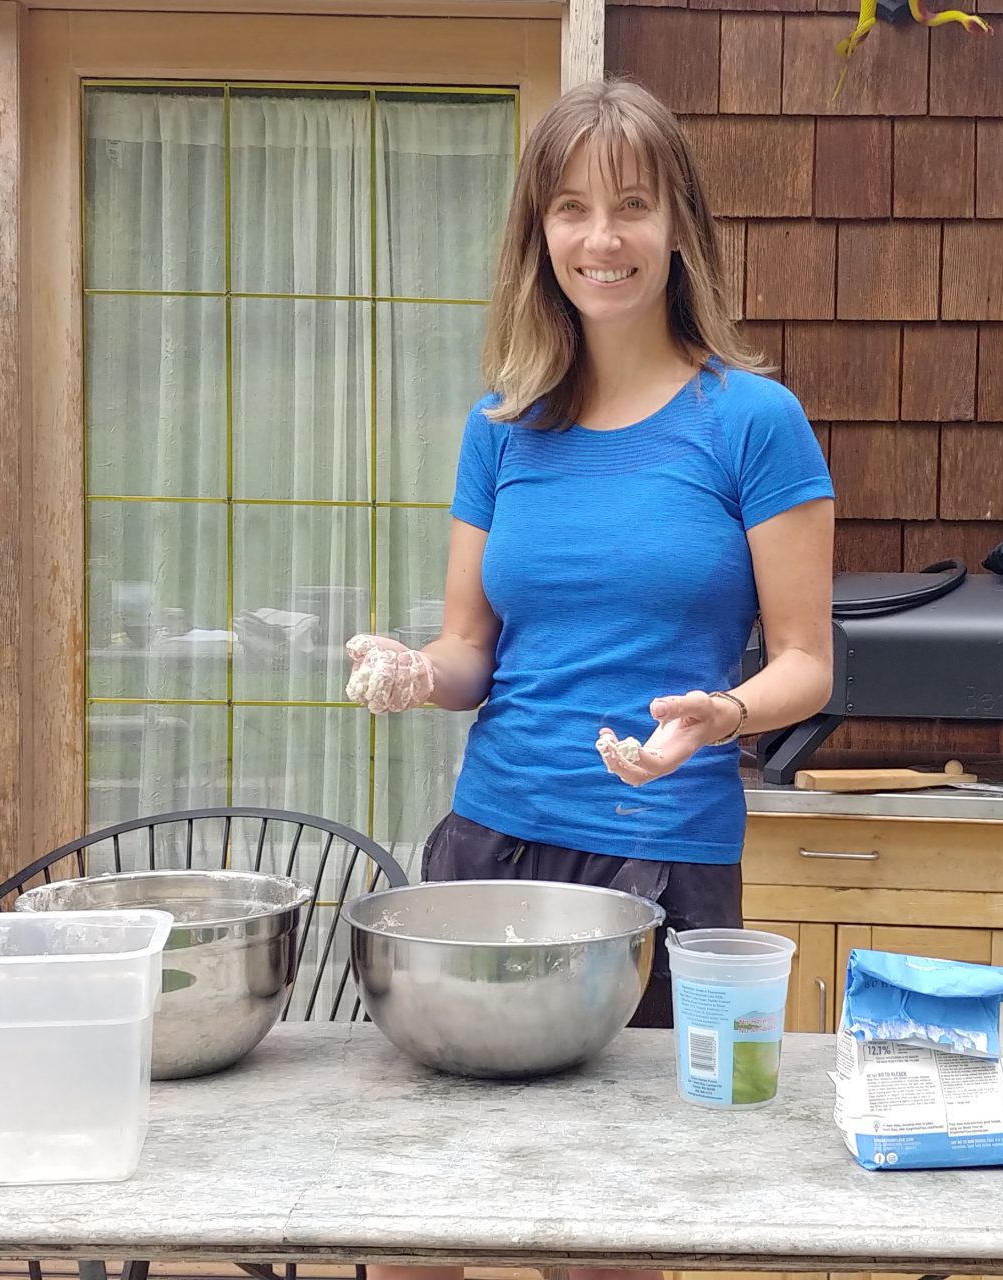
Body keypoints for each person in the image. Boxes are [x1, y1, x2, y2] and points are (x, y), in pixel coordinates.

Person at [342, 74, 834, 1280]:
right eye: (569, 208)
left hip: (655, 860)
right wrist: (416, 669)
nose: (600, 238)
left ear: (679, 229)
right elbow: (471, 654)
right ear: (537, 232)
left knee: (616, 1223)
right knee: (428, 1205)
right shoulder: (500, 426)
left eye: (630, 206)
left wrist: (723, 713)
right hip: (485, 851)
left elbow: (808, 663)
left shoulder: (752, 421)